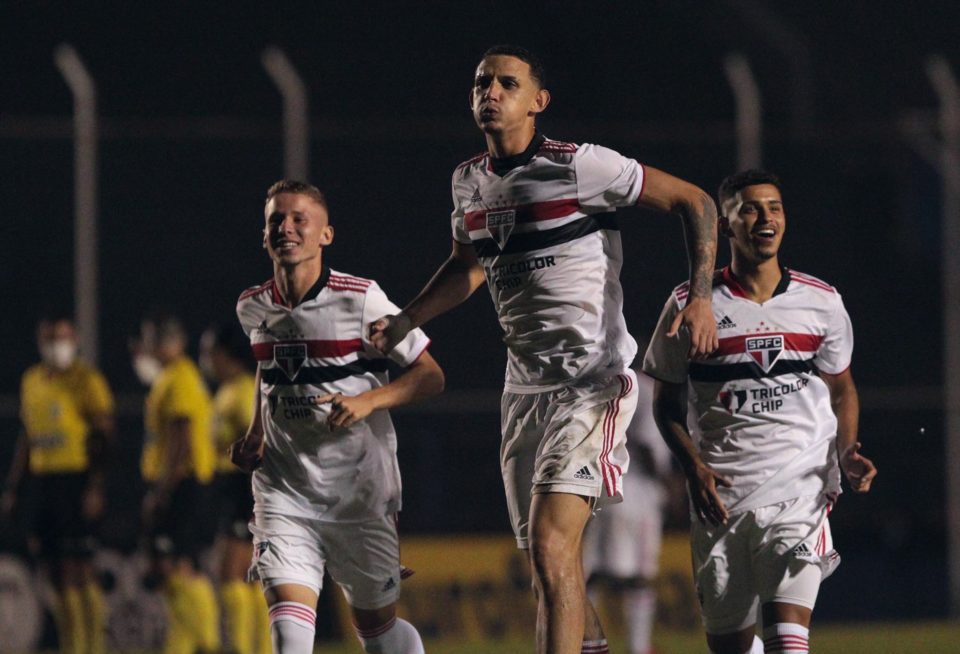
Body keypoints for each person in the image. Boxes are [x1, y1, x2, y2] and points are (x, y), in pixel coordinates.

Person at [368, 44, 719, 654]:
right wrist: (408, 319)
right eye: (482, 83)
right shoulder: (468, 181)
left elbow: (696, 201)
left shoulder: (580, 166)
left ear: (539, 101)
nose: (491, 92)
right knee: (548, 567)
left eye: (507, 83)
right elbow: (466, 266)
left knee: (555, 547)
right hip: (523, 392)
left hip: (592, 383)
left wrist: (703, 296)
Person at [642, 169, 878, 654]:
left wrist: (848, 450)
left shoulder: (822, 302)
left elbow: (842, 390)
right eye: (749, 208)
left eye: (774, 207)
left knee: (788, 642)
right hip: (722, 499)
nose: (765, 218)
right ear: (724, 226)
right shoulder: (689, 305)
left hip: (799, 490)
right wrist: (693, 467)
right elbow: (664, 405)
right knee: (730, 645)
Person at [230, 180, 444, 654]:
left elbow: (431, 376)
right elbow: (268, 374)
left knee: (378, 634)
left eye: (298, 219)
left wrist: (370, 401)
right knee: (289, 636)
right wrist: (255, 433)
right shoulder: (252, 307)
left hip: (359, 495)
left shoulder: (361, 300)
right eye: (276, 220)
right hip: (284, 493)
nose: (286, 227)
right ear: (264, 236)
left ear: (326, 234)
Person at [2, 314, 114, 654]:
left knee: (80, 571)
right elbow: (28, 436)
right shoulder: (32, 381)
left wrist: (96, 485)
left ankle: (92, 645)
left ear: (75, 340)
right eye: (51, 338)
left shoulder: (86, 380)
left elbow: (105, 435)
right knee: (55, 573)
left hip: (75, 480)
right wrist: (13, 486)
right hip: (43, 482)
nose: (57, 346)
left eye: (63, 338)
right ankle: (72, 646)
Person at [133, 313, 221, 654]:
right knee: (171, 569)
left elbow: (181, 439)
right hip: (183, 484)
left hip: (183, 484)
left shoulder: (180, 377)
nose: (150, 347)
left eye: (155, 339)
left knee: (182, 566)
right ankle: (183, 643)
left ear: (172, 342)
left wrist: (162, 490)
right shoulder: (174, 377)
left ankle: (208, 644)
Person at [582, 369, 673, 654]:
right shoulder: (646, 389)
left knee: (594, 572)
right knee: (640, 576)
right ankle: (638, 646)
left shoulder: (612, 386)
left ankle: (585, 640)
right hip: (639, 492)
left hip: (606, 486)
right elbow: (646, 444)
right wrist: (670, 483)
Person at [200, 322, 271, 654]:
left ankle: (243, 648)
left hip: (242, 487)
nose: (206, 360)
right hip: (232, 488)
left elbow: (256, 438)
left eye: (209, 353)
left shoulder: (243, 389)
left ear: (224, 355)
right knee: (246, 576)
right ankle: (260, 647)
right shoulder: (228, 389)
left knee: (232, 575)